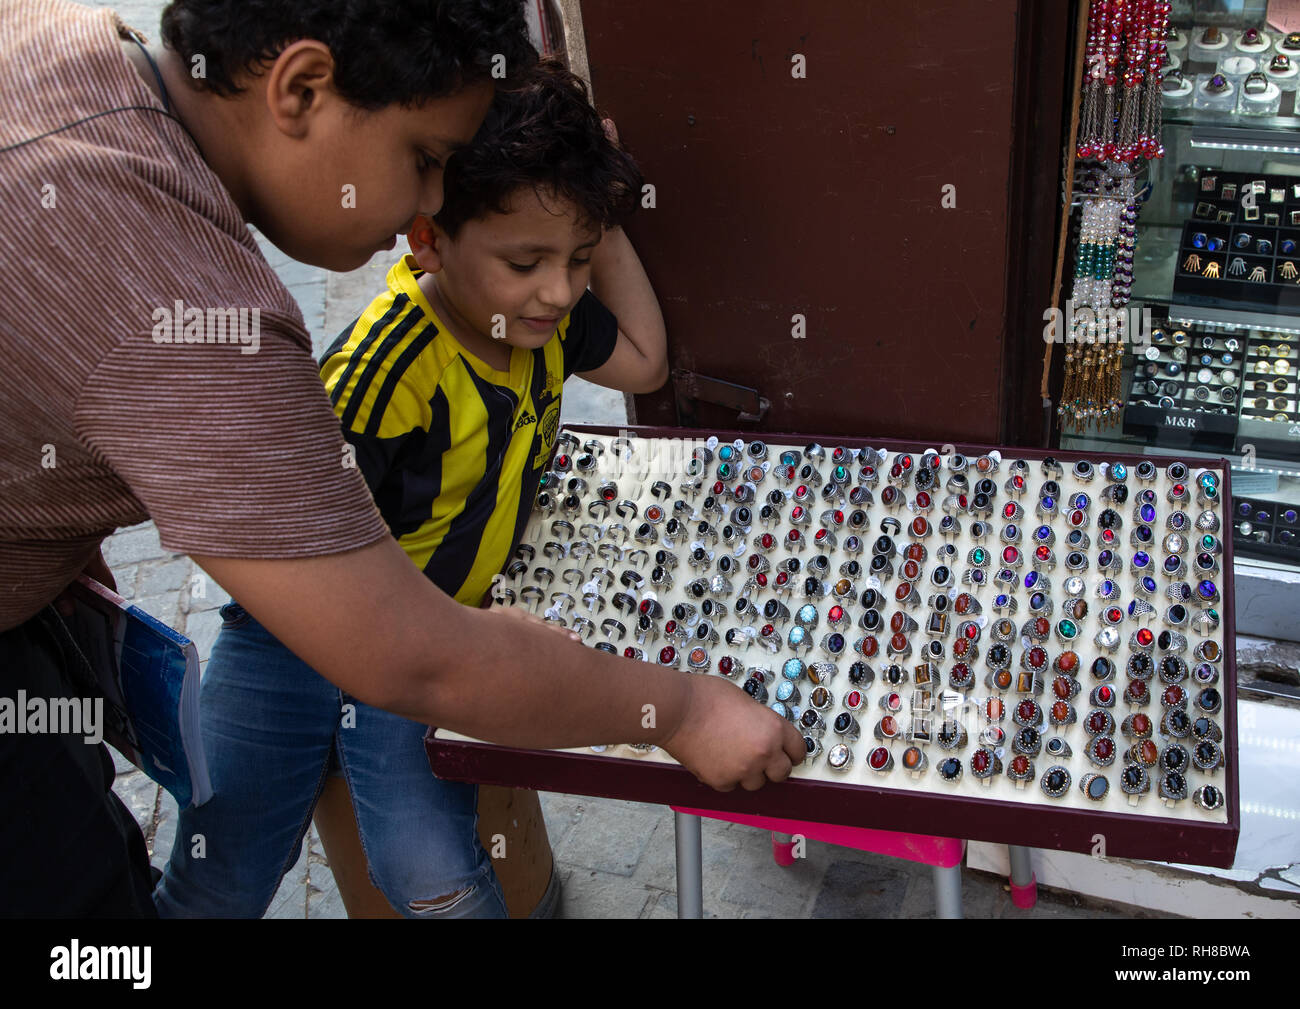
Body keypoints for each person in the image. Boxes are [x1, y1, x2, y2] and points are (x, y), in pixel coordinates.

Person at [0, 0, 803, 917]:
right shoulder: (186, 312)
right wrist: (686, 710)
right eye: (424, 160)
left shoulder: (63, 41)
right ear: (300, 88)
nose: (431, 200)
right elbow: (417, 659)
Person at [157, 61, 665, 918]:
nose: (557, 288)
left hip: (428, 638)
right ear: (427, 239)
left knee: (433, 875)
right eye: (526, 259)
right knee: (221, 865)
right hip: (297, 630)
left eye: (577, 260)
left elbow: (646, 361)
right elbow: (298, 544)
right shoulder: (383, 369)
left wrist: (598, 222)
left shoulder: (543, 320)